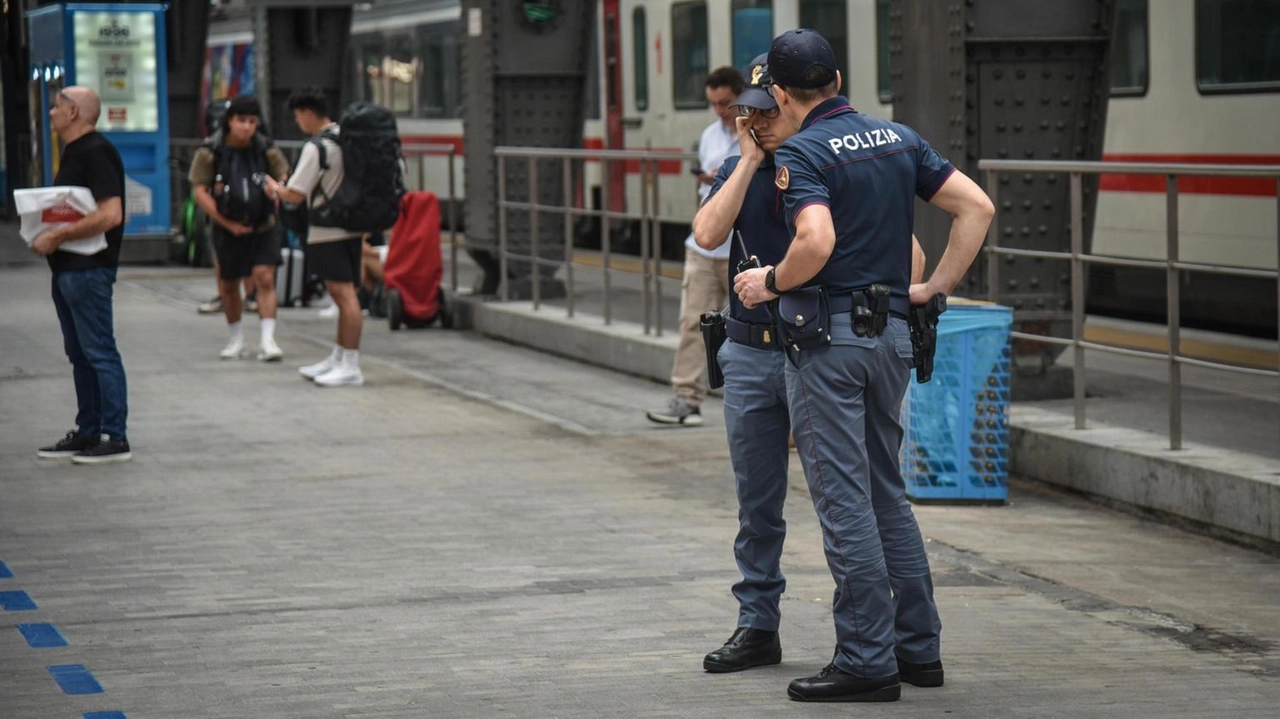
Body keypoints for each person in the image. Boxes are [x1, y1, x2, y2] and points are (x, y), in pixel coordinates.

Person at [735, 29, 993, 702]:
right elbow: (976, 206)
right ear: (839, 79)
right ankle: (918, 649)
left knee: (844, 500)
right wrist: (935, 287)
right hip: (893, 338)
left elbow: (815, 240)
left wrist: (772, 281)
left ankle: (866, 659)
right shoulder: (898, 138)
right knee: (887, 493)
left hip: (830, 344)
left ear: (785, 95)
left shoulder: (804, 151)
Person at [694, 55, 926, 676]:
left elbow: (908, 254)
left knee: (850, 500)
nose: (758, 121)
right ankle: (757, 623)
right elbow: (707, 232)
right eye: (750, 111)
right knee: (759, 502)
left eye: (768, 109)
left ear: (791, 104)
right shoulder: (746, 167)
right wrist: (746, 162)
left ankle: (874, 647)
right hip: (750, 349)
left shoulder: (829, 166)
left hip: (817, 346)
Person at [31, 86, 132, 464]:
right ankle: (88, 430)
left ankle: (115, 436)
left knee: (99, 351)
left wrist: (57, 234)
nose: (51, 112)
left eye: (57, 106)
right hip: (68, 269)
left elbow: (111, 214)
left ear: (74, 112)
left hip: (90, 270)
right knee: (80, 353)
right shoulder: (75, 152)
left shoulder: (96, 151)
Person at [645, 66, 744, 427]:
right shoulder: (709, 135)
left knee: (754, 331)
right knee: (692, 322)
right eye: (715, 104)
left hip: (742, 250)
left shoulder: (758, 133)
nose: (720, 111)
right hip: (704, 248)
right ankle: (686, 398)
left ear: (741, 96)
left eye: (726, 103)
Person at [265, 87, 365, 387]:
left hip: (327, 229)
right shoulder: (346, 137)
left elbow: (295, 195)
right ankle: (339, 356)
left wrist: (273, 189)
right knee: (345, 294)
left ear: (308, 112)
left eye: (298, 116)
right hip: (351, 226)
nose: (298, 123)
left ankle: (350, 365)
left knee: (344, 296)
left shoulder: (317, 146)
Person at [188, 95, 290, 360]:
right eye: (241, 121)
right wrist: (227, 223)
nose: (247, 127)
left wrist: (276, 187)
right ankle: (237, 339)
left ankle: (268, 340)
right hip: (227, 228)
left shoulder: (266, 148)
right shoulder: (211, 150)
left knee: (265, 278)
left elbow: (282, 175)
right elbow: (200, 191)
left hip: (264, 225)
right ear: (230, 121)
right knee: (229, 284)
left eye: (252, 122)